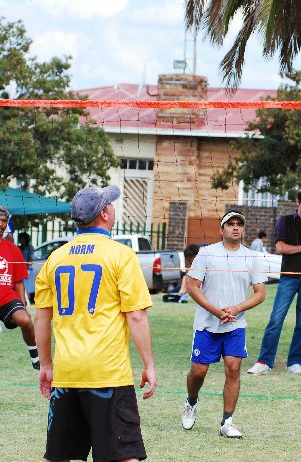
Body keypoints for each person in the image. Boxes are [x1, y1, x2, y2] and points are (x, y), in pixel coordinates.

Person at [33, 185, 157, 461]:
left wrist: (46, 365)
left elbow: (41, 317)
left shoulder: (55, 258)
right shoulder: (121, 255)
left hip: (67, 372)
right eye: (110, 203)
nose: (113, 207)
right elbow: (136, 315)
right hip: (108, 372)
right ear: (104, 214)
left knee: (59, 455)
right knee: (124, 455)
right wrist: (149, 364)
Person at [181, 210, 267, 438]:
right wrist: (216, 311)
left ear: (243, 229)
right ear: (222, 230)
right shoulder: (207, 254)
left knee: (233, 368)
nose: (235, 227)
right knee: (198, 372)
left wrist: (236, 309)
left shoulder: (252, 257)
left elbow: (260, 293)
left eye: (239, 224)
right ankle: (191, 401)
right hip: (207, 323)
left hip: (235, 324)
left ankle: (227, 421)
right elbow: (192, 287)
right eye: (230, 224)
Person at [247, 189, 301, 375]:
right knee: (276, 319)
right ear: (298, 203)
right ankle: (264, 361)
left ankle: (295, 362)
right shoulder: (285, 221)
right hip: (289, 277)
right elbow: (280, 247)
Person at [0, 206, 39, 369]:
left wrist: (23, 304)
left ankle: (36, 357)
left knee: (25, 320)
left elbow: (18, 282)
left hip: (6, 297)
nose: (1, 224)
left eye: (4, 221)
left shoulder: (13, 250)